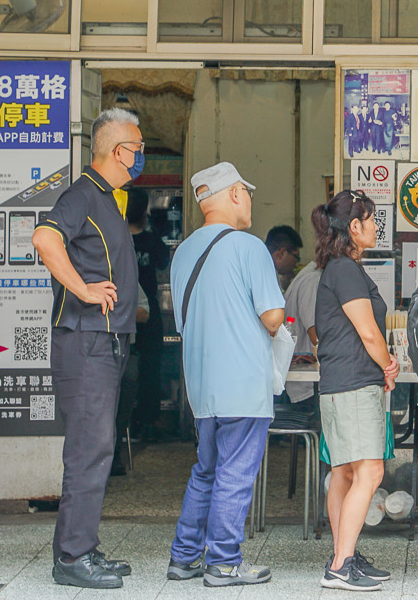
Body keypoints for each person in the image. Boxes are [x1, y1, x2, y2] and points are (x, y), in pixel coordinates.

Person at [33, 107, 144, 589]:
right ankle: (72, 559)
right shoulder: (82, 194)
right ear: (119, 150)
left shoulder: (110, 200)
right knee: (88, 449)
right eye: (137, 149)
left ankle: (84, 547)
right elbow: (44, 237)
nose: (141, 157)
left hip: (106, 342)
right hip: (86, 341)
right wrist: (83, 290)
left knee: (97, 448)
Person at [165, 162, 284, 587]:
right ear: (234, 194)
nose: (249, 200)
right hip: (243, 383)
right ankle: (224, 562)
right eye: (246, 192)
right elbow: (272, 316)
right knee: (235, 472)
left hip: (203, 385)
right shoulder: (248, 247)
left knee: (208, 469)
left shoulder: (182, 253)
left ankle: (184, 557)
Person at [311, 190, 398, 592]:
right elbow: (368, 331)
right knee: (370, 469)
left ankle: (342, 555)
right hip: (352, 383)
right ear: (354, 227)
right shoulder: (345, 270)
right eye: (371, 219)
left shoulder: (339, 269)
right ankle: (341, 566)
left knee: (344, 472)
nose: (376, 226)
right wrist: (388, 364)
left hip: (340, 383)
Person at [268, 223, 323, 432]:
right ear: (281, 253)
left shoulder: (299, 278)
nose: (296, 263)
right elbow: (314, 332)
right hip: (302, 381)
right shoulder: (311, 279)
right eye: (295, 257)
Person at [125, 190, 169, 443]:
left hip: (122, 312)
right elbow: (164, 264)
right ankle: (147, 422)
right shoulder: (152, 240)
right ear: (145, 213)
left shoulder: (118, 239)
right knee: (151, 369)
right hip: (148, 313)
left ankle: (128, 423)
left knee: (126, 370)